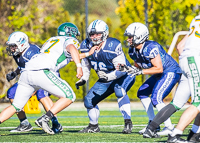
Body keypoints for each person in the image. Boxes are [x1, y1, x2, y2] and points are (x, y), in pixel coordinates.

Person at [0, 22, 82, 135]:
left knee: (16, 106)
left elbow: (70, 55)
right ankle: (45, 119)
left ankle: (47, 121)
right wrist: (79, 66)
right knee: (70, 96)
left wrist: (87, 54)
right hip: (43, 71)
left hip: (26, 72)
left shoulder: (52, 40)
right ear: (71, 33)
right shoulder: (69, 40)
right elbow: (72, 48)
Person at [122, 22, 182, 136]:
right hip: (160, 74)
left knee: (156, 97)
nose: (128, 39)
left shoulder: (150, 47)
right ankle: (153, 123)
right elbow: (137, 66)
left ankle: (169, 127)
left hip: (170, 71)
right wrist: (126, 68)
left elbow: (158, 68)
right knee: (142, 92)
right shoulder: (132, 50)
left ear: (139, 36)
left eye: (130, 37)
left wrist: (140, 71)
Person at [76, 20, 135, 134]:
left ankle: (128, 122)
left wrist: (108, 77)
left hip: (124, 74)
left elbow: (121, 70)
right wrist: (84, 78)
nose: (95, 37)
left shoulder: (112, 45)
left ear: (105, 33)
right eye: (92, 34)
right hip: (106, 78)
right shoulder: (85, 45)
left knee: (119, 90)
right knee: (89, 101)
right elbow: (86, 64)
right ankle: (93, 126)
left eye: (98, 34)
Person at [5, 31, 62, 133]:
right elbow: (23, 65)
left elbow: (40, 68)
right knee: (12, 93)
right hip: (31, 76)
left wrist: (32, 89)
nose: (11, 48)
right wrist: (15, 73)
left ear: (22, 44)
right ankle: (24, 123)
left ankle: (56, 123)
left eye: (13, 46)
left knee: (41, 94)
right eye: (11, 46)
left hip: (45, 74)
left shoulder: (32, 53)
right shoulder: (18, 52)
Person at [165, 15, 200, 142]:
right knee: (198, 102)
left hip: (188, 59)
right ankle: (175, 134)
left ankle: (195, 135)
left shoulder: (196, 18)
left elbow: (180, 46)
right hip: (194, 59)